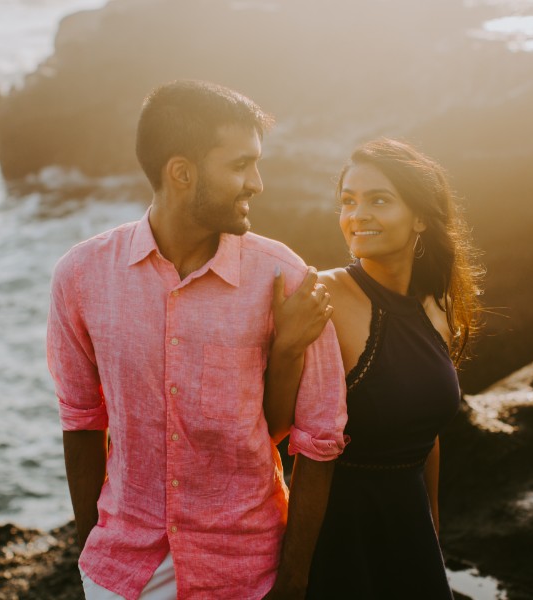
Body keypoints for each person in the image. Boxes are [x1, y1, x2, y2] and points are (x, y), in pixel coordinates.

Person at [46, 80, 348, 600]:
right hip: (122, 570)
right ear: (181, 173)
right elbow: (81, 419)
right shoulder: (81, 275)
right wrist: (89, 552)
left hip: (246, 571)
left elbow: (319, 439)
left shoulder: (284, 278)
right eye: (239, 165)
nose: (256, 183)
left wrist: (294, 583)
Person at [264, 138, 482, 599]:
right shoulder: (323, 296)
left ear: (421, 216)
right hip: (337, 535)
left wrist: (432, 535)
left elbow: (427, 437)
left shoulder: (437, 307)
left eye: (378, 200)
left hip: (411, 535)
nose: (357, 214)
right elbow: (274, 427)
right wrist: (294, 575)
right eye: (348, 201)